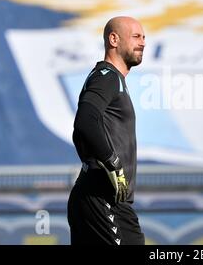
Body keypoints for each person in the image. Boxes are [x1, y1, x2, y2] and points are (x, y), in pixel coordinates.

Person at [67, 16, 146, 245]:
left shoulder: (113, 79)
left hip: (98, 198)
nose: (142, 42)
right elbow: (85, 121)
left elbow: (83, 130)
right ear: (114, 39)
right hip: (103, 198)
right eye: (135, 36)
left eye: (143, 37)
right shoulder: (107, 77)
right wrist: (111, 161)